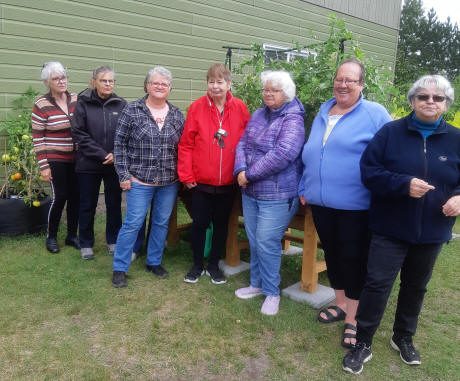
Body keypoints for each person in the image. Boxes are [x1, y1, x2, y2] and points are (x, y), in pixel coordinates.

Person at [343, 75, 460, 375]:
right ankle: (363, 342)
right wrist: (402, 184)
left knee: (416, 287)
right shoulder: (390, 133)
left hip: (433, 229)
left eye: (437, 98)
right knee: (377, 285)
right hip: (390, 227)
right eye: (423, 97)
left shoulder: (457, 139)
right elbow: (368, 172)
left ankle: (403, 337)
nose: (430, 102)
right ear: (412, 101)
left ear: (447, 103)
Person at [298, 58, 392, 346]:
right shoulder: (325, 110)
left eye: (350, 80)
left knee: (354, 260)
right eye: (339, 78)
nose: (343, 84)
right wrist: (305, 185)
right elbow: (311, 152)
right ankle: (340, 304)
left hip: (356, 205)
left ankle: (353, 317)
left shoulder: (375, 114)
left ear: (361, 84)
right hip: (321, 203)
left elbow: (391, 153)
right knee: (334, 257)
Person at [234, 71, 305, 315]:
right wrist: (241, 169)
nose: (267, 93)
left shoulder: (293, 119)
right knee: (255, 240)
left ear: (286, 93)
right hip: (250, 190)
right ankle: (256, 284)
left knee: (266, 241)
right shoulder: (258, 113)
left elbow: (283, 155)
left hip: (277, 194)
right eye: (266, 89)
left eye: (273, 90)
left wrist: (249, 174)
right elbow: (243, 143)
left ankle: (272, 292)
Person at [111, 66, 185, 288]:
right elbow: (119, 144)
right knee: (133, 223)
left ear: (169, 88)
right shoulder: (132, 110)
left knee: (160, 222)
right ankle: (120, 268)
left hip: (168, 182)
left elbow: (184, 147)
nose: (160, 86)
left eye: (164, 84)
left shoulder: (177, 114)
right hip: (139, 181)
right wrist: (123, 174)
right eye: (155, 83)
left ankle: (154, 261)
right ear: (147, 86)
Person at [178, 63, 250, 285]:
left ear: (229, 84)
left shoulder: (240, 108)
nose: (215, 86)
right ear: (206, 84)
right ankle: (197, 264)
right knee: (199, 223)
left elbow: (247, 143)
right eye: (211, 82)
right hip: (201, 182)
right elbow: (186, 145)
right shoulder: (196, 108)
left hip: (228, 181)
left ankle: (213, 265)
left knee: (221, 225)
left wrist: (243, 172)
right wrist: (187, 175)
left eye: (220, 82)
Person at [71, 66, 127, 260]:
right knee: (87, 205)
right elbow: (79, 133)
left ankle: (113, 240)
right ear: (94, 81)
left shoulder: (121, 104)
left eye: (111, 81)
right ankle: (86, 243)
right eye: (104, 80)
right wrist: (102, 154)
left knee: (114, 204)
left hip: (114, 164)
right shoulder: (83, 103)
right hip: (88, 164)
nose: (108, 84)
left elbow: (126, 134)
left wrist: (115, 155)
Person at [31, 61, 80, 254]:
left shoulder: (75, 98)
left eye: (63, 77)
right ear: (47, 82)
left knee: (76, 196)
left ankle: (71, 235)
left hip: (77, 158)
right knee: (60, 196)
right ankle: (51, 237)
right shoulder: (41, 104)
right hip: (55, 158)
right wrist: (44, 166)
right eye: (56, 78)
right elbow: (37, 137)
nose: (61, 81)